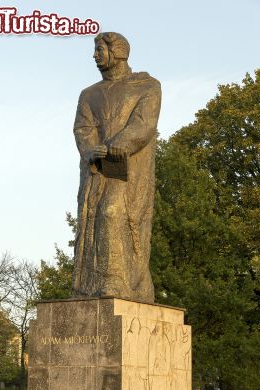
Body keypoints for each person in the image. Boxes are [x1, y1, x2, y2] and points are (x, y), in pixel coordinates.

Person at [73, 32, 161, 302]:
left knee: (114, 213)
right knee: (92, 217)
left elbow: (144, 124)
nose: (95, 55)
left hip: (131, 168)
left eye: (100, 50)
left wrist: (115, 145)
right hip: (96, 169)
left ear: (118, 52)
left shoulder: (147, 86)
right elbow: (82, 128)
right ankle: (88, 284)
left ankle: (117, 280)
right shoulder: (89, 94)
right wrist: (91, 150)